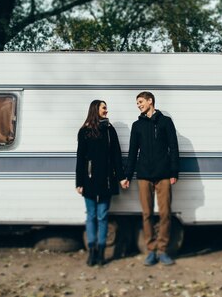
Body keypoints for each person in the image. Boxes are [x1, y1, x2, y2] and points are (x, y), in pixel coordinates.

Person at [121, 91, 179, 266]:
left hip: (163, 175)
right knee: (147, 214)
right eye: (137, 103)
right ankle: (151, 250)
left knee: (165, 214)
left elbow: (174, 148)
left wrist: (174, 172)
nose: (138, 105)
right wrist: (127, 176)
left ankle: (163, 250)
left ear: (150, 101)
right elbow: (132, 153)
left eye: (140, 102)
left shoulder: (166, 122)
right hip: (144, 175)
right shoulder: (137, 125)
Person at [76, 100, 124, 266]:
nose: (106, 110)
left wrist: (122, 177)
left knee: (103, 216)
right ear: (95, 110)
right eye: (104, 107)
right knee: (91, 216)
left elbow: (117, 155)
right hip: (89, 180)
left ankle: (102, 252)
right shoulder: (84, 131)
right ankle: (92, 252)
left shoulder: (110, 130)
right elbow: (80, 159)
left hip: (107, 180)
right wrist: (79, 182)